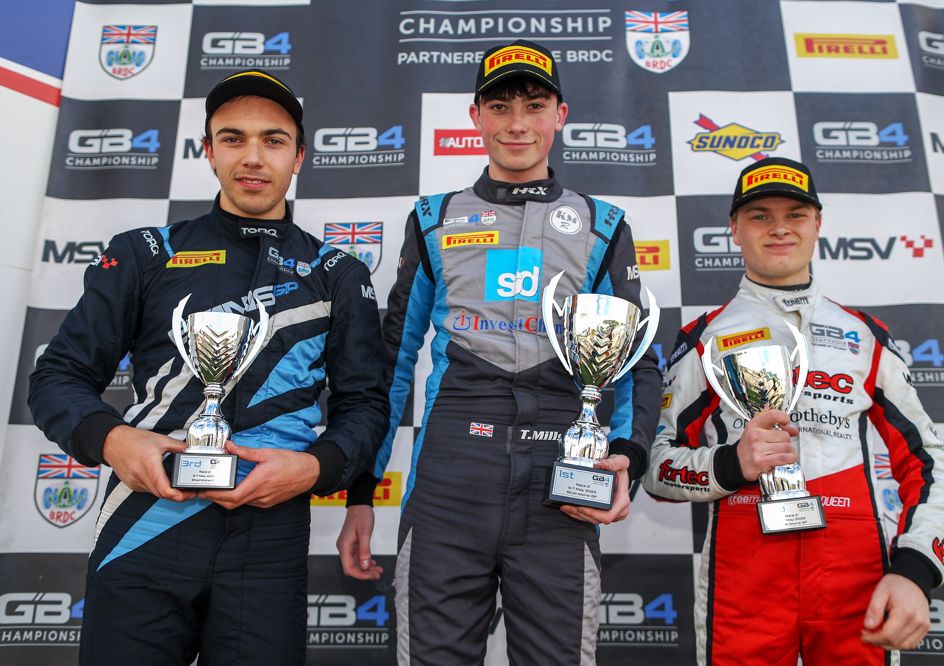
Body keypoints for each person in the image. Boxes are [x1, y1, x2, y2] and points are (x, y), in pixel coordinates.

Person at [28, 69, 389, 665]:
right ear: (208, 150)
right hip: (143, 518)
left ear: (299, 156)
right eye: (232, 138)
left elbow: (366, 405)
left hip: (269, 534)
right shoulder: (146, 251)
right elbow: (57, 378)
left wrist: (315, 467)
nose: (252, 157)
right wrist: (115, 442)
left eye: (273, 140)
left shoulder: (337, 272)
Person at [335, 40, 661, 664]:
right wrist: (360, 492)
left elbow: (637, 358)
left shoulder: (604, 223)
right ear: (475, 116)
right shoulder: (434, 219)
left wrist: (627, 456)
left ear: (560, 115)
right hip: (449, 480)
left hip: (563, 478)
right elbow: (390, 367)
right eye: (501, 105)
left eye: (534, 105)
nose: (518, 123)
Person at [641, 157, 944, 665]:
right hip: (747, 563)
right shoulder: (704, 339)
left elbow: (931, 463)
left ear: (818, 225)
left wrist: (915, 568)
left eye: (795, 213)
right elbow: (656, 467)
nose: (779, 227)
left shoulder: (863, 335)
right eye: (760, 216)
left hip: (856, 566)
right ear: (734, 230)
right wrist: (731, 464)